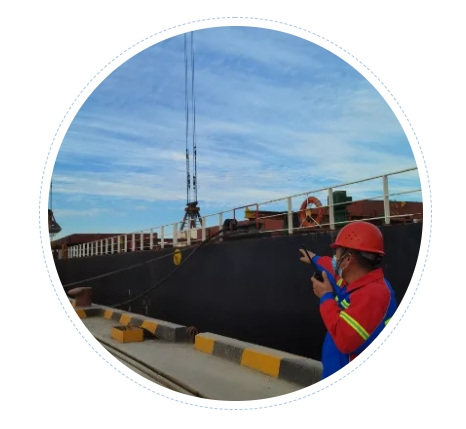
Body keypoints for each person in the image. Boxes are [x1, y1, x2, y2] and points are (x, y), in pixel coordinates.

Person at [299, 221, 398, 379]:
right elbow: (331, 270)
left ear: (348, 259)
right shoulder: (356, 283)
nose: (335, 258)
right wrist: (315, 259)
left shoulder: (373, 295)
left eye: (337, 253)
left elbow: (344, 340)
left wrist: (325, 296)